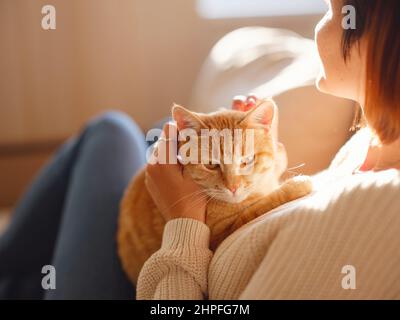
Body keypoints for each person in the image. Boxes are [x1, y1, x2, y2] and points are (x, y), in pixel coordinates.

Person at [0, 0, 399, 299]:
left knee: (111, 130)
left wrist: (181, 219)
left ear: (380, 40)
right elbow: (277, 223)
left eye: (332, 12)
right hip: (162, 260)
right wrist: (268, 163)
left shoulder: (380, 202)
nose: (320, 28)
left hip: (155, 286)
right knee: (143, 134)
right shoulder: (368, 143)